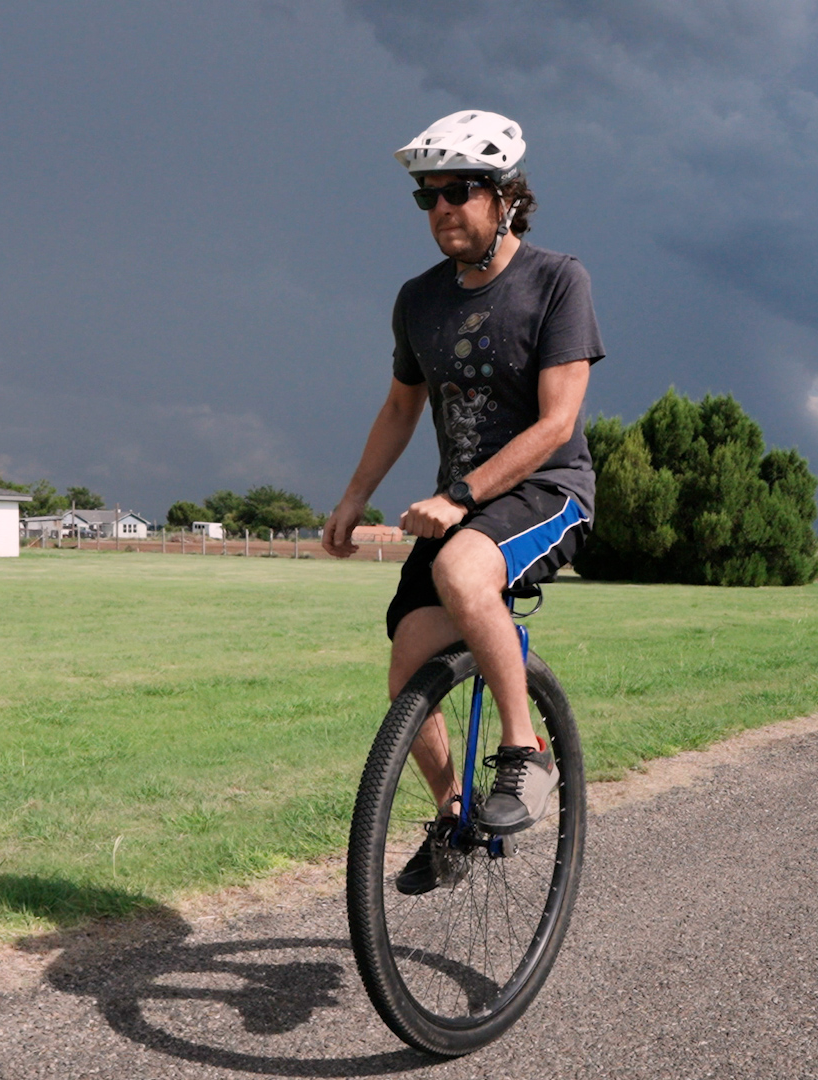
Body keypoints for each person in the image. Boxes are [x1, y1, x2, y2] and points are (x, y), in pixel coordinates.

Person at [323, 110, 604, 893]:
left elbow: (556, 424)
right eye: (428, 197)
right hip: (462, 504)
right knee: (409, 661)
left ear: (507, 196)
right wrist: (354, 498)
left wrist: (459, 495)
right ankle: (454, 818)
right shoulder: (418, 300)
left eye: (461, 191)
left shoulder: (557, 281)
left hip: (547, 490)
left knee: (464, 574)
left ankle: (525, 754)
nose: (443, 208)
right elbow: (400, 408)